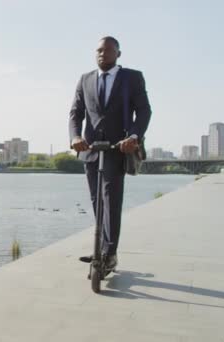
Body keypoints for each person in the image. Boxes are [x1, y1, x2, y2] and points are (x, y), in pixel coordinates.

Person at [68, 36, 152, 270]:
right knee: (97, 201)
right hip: (91, 150)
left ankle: (110, 253)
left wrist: (134, 137)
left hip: (118, 149)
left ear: (118, 53)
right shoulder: (85, 80)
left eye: (107, 50)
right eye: (98, 50)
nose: (102, 53)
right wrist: (75, 137)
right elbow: (76, 113)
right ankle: (102, 249)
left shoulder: (132, 78)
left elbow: (144, 111)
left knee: (111, 200)